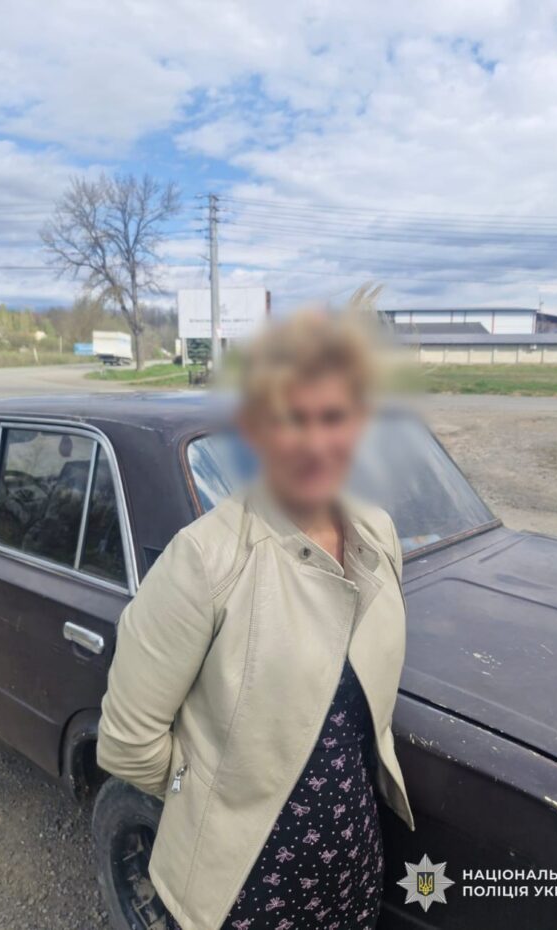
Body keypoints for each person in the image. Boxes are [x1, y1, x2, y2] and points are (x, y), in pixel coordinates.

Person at [97, 299, 413, 930]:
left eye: (333, 417)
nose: (315, 443)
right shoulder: (206, 560)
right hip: (246, 892)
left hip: (352, 865)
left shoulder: (376, 534)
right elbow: (128, 744)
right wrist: (210, 800)